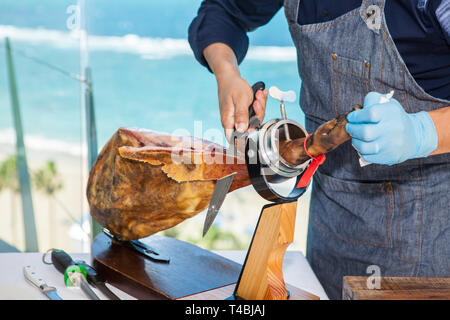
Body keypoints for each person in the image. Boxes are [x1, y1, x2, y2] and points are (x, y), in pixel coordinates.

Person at [188, 0, 450, 299]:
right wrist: (227, 74)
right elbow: (225, 10)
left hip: (430, 235)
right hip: (331, 225)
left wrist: (421, 133)